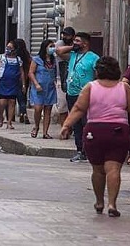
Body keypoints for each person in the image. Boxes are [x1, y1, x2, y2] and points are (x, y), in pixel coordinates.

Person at [60, 56, 130, 218]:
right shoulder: (125, 88)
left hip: (94, 132)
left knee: (98, 170)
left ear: (97, 71)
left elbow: (78, 109)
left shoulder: (90, 87)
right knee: (113, 169)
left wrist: (66, 125)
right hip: (118, 131)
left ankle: (99, 202)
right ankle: (112, 204)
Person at [57, 32, 100, 162]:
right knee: (76, 124)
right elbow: (58, 51)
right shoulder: (73, 55)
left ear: (85, 43)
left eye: (77, 41)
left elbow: (98, 74)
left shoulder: (93, 57)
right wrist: (72, 47)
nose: (74, 43)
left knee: (86, 123)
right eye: (74, 41)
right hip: (71, 94)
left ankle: (89, 150)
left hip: (86, 95)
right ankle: (79, 150)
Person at [0, 40, 25, 129]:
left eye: (10, 48)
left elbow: (21, 72)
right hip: (3, 83)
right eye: (7, 47)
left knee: (12, 102)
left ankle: (9, 122)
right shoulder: (1, 57)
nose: (8, 49)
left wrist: (23, 85)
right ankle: (0, 117)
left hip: (14, 84)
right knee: (2, 103)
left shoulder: (18, 60)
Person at [28, 39, 58, 139]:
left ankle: (45, 132)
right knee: (38, 108)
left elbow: (54, 74)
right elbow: (31, 73)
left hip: (50, 88)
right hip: (38, 88)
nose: (52, 48)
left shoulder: (54, 60)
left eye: (53, 46)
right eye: (50, 46)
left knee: (48, 109)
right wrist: (36, 84)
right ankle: (36, 126)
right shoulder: (37, 59)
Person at [55, 27, 76, 127]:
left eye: (68, 35)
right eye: (64, 34)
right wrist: (74, 48)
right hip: (61, 78)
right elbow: (59, 52)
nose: (65, 37)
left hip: (75, 79)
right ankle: (64, 128)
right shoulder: (60, 43)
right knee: (62, 106)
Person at [15, 38, 32, 125]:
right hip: (26, 79)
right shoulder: (27, 55)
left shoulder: (15, 56)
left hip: (16, 79)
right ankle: (22, 113)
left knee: (17, 98)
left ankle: (23, 113)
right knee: (23, 97)